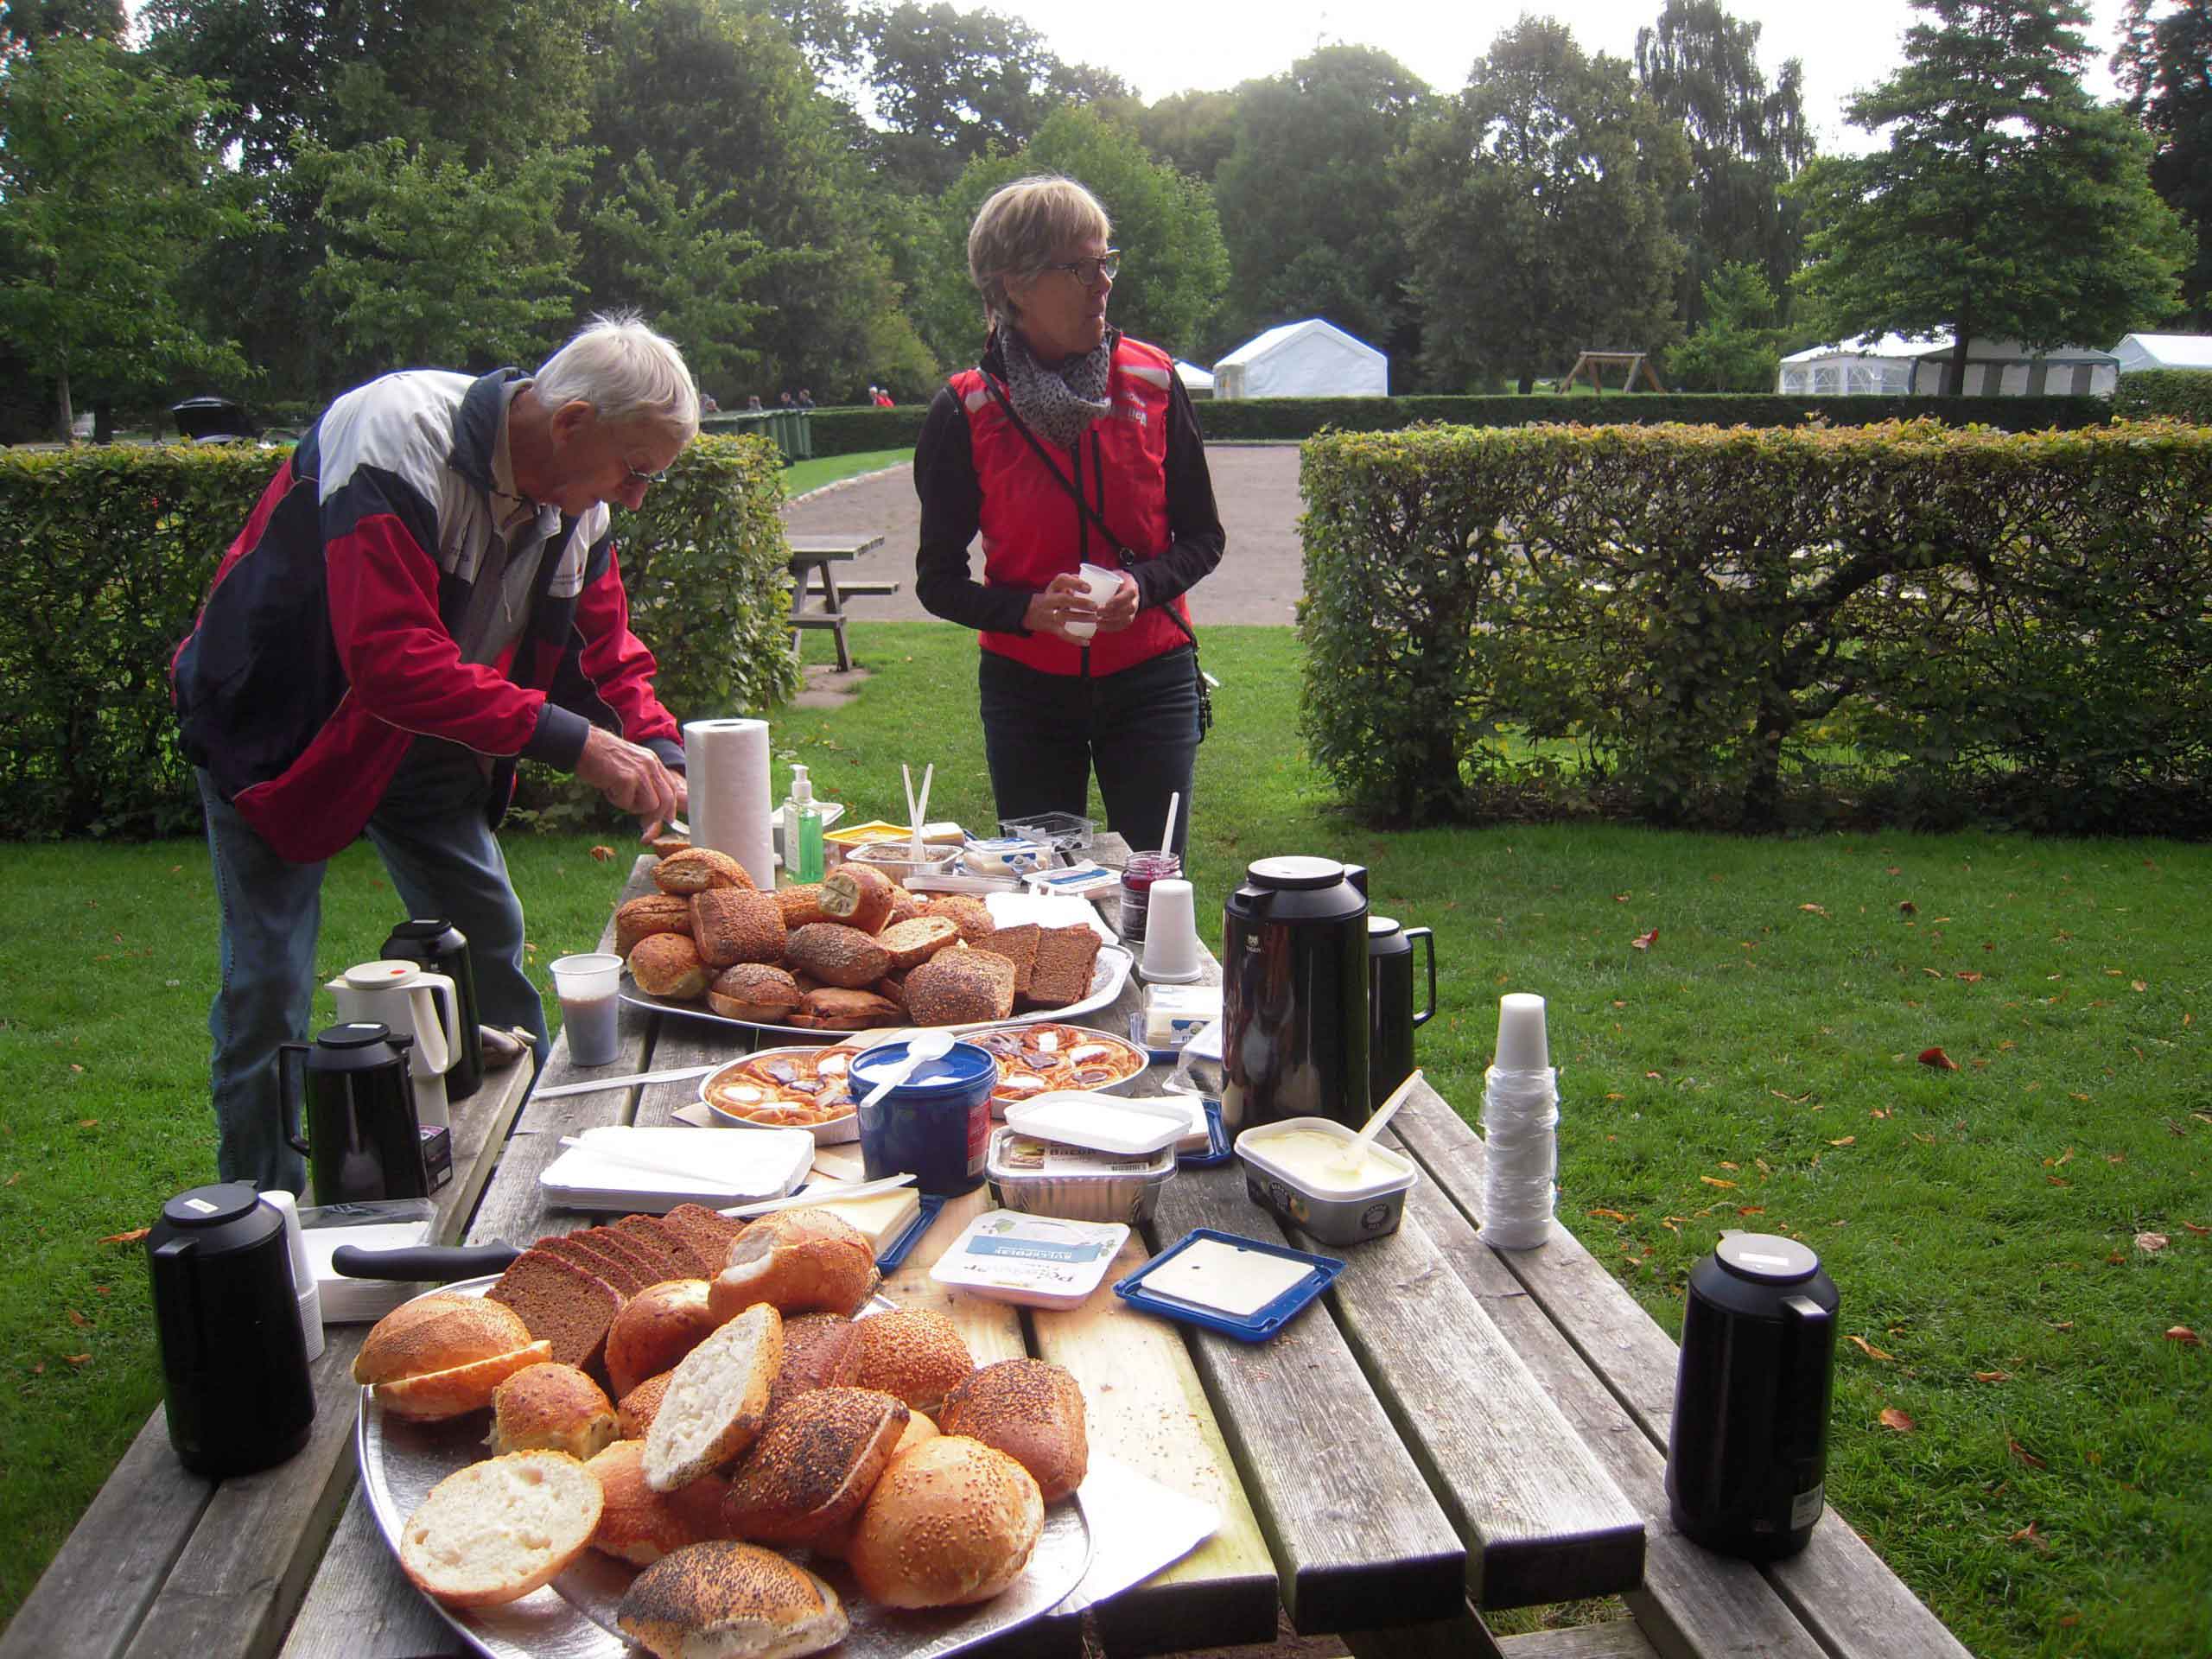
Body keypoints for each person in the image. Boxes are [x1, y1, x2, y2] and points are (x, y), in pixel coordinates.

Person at [171, 313, 696, 1192]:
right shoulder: (395, 434)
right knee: (269, 983)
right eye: (635, 470)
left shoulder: (580, 509)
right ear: (571, 422)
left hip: (428, 731)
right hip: (280, 726)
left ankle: (523, 1168)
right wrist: (577, 745)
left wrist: (656, 745)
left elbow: (602, 655)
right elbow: (388, 659)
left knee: (486, 934)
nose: (635, 497)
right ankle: (258, 1212)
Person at [914, 175, 1222, 859]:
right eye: (1081, 268)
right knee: (1042, 890)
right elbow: (937, 581)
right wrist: (1028, 612)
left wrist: (1143, 586)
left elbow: (1204, 538)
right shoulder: (965, 409)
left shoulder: (1152, 379)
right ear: (1016, 285)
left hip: (1152, 678)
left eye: (1106, 262)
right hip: (1026, 694)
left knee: (1153, 883)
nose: (1103, 284)